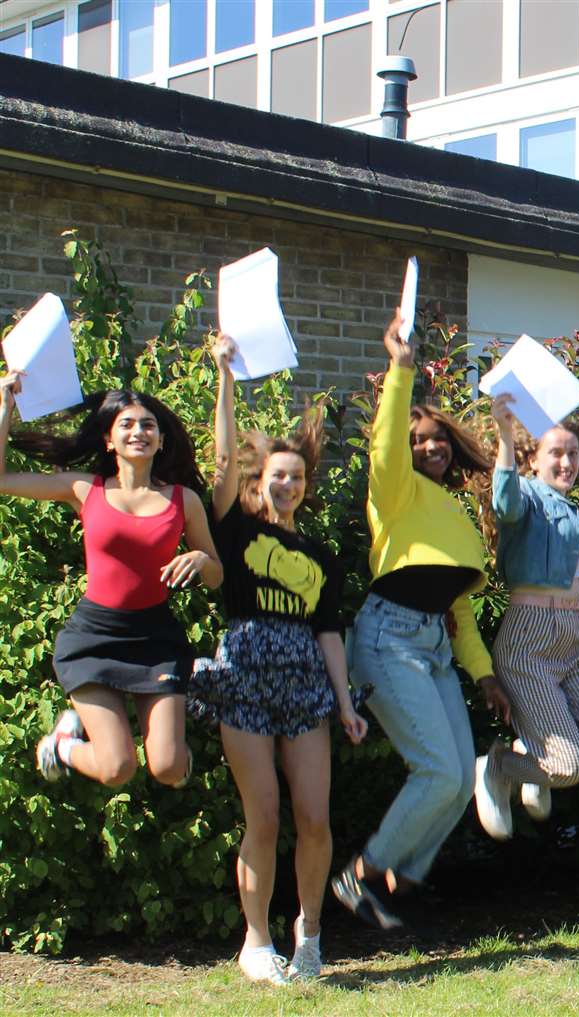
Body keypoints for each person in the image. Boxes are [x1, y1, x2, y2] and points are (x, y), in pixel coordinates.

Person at [191, 335, 367, 983]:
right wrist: (226, 380)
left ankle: (310, 935)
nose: (286, 483)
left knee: (314, 817)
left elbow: (329, 634)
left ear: (305, 484)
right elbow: (218, 464)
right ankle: (256, 939)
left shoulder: (322, 558)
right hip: (243, 671)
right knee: (262, 813)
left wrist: (346, 706)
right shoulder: (236, 529)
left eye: (296, 475)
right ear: (260, 483)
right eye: (276, 476)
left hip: (305, 682)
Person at [331, 306, 505, 931]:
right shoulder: (396, 492)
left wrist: (483, 675)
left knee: (457, 784)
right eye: (417, 440)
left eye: (436, 439)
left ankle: (397, 876)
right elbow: (382, 450)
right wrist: (399, 370)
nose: (429, 446)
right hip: (387, 636)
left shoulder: (455, 512)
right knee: (437, 771)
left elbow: (458, 607)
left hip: (432, 642)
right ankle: (364, 872)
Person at [5, 374, 223, 792]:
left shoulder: (183, 500)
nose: (138, 432)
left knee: (169, 768)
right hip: (94, 638)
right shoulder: (84, 489)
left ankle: (174, 752)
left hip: (155, 639)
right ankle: (64, 745)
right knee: (116, 768)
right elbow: (2, 480)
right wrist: (5, 406)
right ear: (108, 440)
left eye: (147, 425)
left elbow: (216, 576)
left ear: (160, 440)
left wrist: (200, 559)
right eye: (127, 425)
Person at [472, 399, 579, 842]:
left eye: (573, 454)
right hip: (529, 639)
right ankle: (499, 766)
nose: (567, 462)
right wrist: (503, 434)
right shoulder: (529, 499)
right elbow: (504, 503)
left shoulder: (578, 515)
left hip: (574, 638)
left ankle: (529, 759)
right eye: (556, 452)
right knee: (569, 766)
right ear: (533, 458)